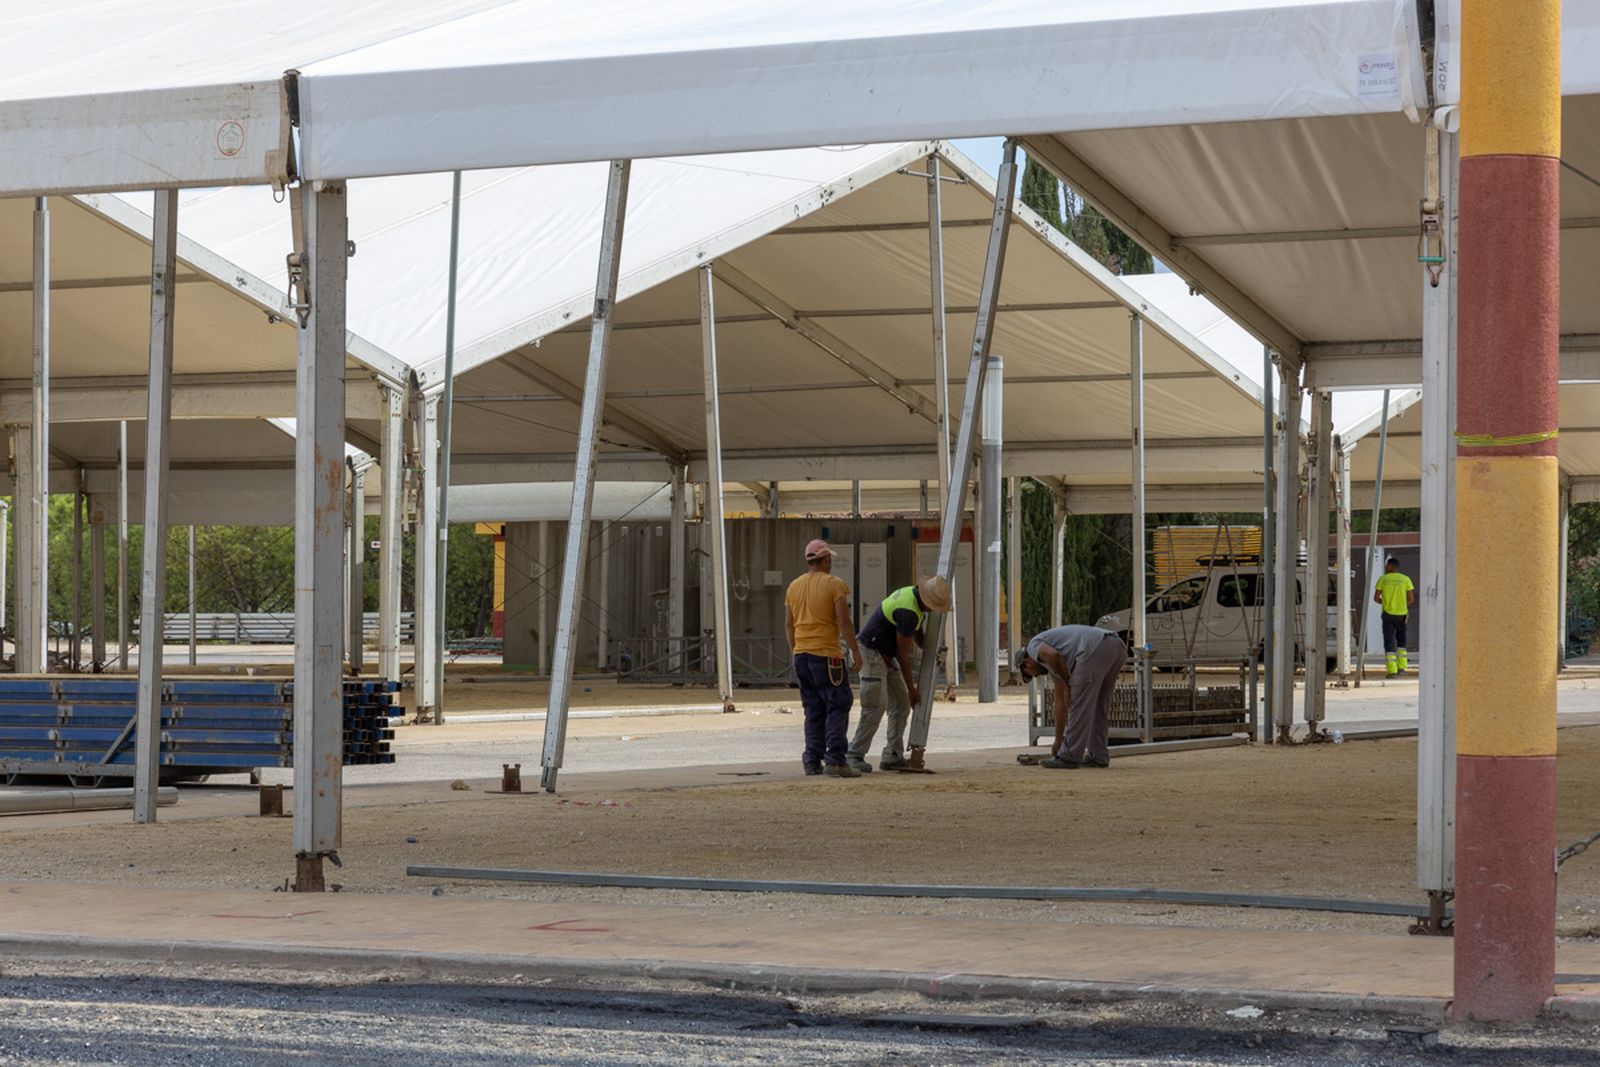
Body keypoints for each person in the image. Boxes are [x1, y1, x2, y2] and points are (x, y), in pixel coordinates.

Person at [846, 575, 952, 774]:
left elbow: (915, 633)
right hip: (871, 653)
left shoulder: (912, 598)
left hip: (884, 655)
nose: (933, 610)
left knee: (901, 704)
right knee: (876, 705)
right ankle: (853, 755)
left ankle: (892, 755)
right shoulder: (908, 611)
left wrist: (930, 648)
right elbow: (903, 654)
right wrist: (912, 689)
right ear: (927, 600)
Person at [784, 539, 864, 778]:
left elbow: (789, 625)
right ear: (826, 559)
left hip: (801, 655)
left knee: (813, 709)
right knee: (838, 704)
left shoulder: (793, 587)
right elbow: (843, 621)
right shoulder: (835, 585)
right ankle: (836, 760)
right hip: (827, 656)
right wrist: (855, 652)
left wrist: (795, 651)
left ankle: (811, 761)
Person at [1014, 624, 1125, 769]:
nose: (1035, 676)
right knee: (1098, 706)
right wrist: (1058, 741)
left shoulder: (1033, 646)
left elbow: (1053, 656)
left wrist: (1068, 682)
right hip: (1115, 646)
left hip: (1094, 648)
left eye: (1030, 674)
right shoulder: (1054, 668)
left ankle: (1070, 756)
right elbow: (1061, 704)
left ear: (1027, 663)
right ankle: (1098, 756)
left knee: (1079, 704)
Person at [1374, 556, 1416, 676]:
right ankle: (1402, 668)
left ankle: (1392, 671)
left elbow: (1376, 598)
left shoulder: (1383, 579)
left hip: (1388, 614)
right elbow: (1411, 599)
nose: (1385, 567)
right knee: (1401, 640)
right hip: (1402, 615)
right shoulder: (1405, 579)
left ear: (1391, 566)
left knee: (1389, 641)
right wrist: (1401, 604)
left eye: (1387, 565)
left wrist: (1387, 602)